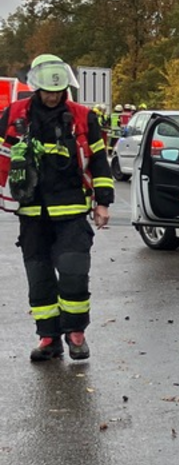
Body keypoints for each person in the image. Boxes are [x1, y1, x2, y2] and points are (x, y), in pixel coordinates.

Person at [0, 54, 114, 361]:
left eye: (58, 91)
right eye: (48, 91)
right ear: (37, 88)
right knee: (39, 278)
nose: (53, 97)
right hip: (32, 212)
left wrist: (103, 202)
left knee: (74, 273)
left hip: (72, 210)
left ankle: (76, 334)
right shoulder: (15, 114)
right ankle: (48, 338)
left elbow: (100, 161)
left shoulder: (82, 117)